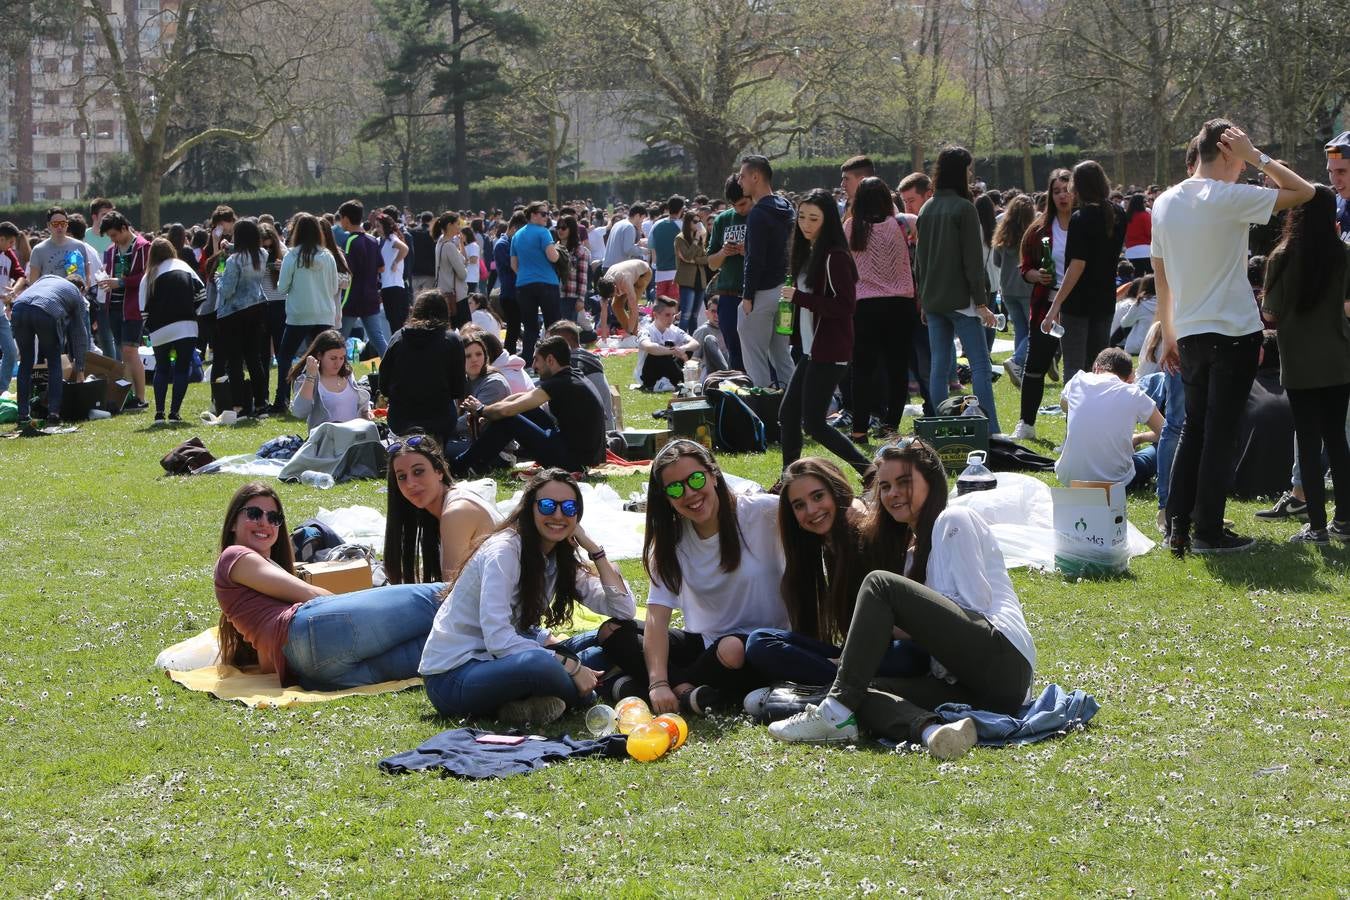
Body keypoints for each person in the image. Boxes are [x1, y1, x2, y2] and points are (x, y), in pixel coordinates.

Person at [768, 439, 1035, 762]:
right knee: (861, 690)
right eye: (885, 486)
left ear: (931, 478)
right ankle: (930, 731)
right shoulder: (912, 554)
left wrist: (900, 621)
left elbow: (972, 607)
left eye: (903, 482)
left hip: (1003, 664)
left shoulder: (954, 519)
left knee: (879, 584)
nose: (892, 493)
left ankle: (832, 712)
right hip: (971, 689)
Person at [1152, 119, 1314, 554]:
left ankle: (1179, 526)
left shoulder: (1165, 201)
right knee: (1218, 435)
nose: (1243, 168)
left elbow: (1160, 275)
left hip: (1188, 333)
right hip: (1234, 332)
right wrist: (1257, 155)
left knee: (1193, 431)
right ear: (1227, 153)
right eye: (1238, 158)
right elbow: (1305, 192)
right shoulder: (1228, 197)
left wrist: (1169, 332)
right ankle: (1207, 531)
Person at [419, 469, 635, 725]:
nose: (557, 515)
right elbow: (498, 638)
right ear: (529, 509)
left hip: (505, 659)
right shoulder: (504, 552)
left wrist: (594, 550)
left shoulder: (558, 556)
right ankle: (585, 692)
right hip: (455, 676)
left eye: (568, 507)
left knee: (618, 633)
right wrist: (572, 666)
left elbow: (623, 610)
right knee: (539, 664)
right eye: (547, 505)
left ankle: (528, 703)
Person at [597, 440, 790, 714]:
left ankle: (637, 688)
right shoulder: (672, 543)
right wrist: (658, 683)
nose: (689, 493)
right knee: (612, 630)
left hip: (763, 645)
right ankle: (685, 692)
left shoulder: (763, 512)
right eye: (676, 488)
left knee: (733, 648)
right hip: (707, 645)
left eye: (696, 479)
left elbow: (817, 512)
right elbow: (656, 618)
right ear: (667, 497)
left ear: (713, 475)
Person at [213, 482, 441, 690]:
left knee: (440, 647)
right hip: (311, 634)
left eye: (273, 518)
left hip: (313, 673)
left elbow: (268, 663)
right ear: (233, 521)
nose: (265, 522)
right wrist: (356, 606)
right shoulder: (234, 555)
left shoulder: (255, 587)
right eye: (254, 514)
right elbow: (312, 595)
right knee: (438, 597)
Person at [743, 458, 928, 690]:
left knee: (909, 655)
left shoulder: (868, 533)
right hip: (855, 655)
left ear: (836, 491)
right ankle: (849, 680)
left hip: (898, 649)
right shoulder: (818, 551)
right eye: (799, 505)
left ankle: (841, 681)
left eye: (818, 496)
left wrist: (848, 659)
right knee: (760, 642)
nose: (811, 510)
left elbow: (907, 628)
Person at [1260, 185, 1350, 543]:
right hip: (1339, 358)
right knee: (1338, 442)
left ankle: (1315, 526)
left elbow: (1270, 313)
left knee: (1308, 443)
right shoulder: (1344, 253)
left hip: (1298, 362)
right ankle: (1344, 522)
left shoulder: (1282, 256)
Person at [778, 188, 872, 475]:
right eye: (802, 217)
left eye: (813, 218)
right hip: (811, 350)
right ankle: (788, 477)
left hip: (829, 351)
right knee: (788, 415)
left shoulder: (835, 256)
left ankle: (868, 470)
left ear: (828, 220)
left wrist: (799, 298)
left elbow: (845, 306)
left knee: (814, 424)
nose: (805, 224)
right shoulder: (808, 252)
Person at [915, 146, 1002, 434]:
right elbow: (972, 262)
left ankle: (941, 424)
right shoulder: (964, 208)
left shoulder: (927, 207)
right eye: (968, 169)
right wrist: (981, 302)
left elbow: (920, 261)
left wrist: (924, 300)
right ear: (960, 172)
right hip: (962, 300)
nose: (971, 175)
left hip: (934, 299)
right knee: (979, 364)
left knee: (940, 365)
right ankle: (989, 428)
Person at [453, 335, 604, 475]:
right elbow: (522, 398)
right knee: (525, 411)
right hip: (580, 455)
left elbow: (508, 411)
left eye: (536, 360)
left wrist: (481, 409)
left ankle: (461, 465)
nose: (533, 366)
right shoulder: (573, 376)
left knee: (509, 419)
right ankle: (478, 463)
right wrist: (489, 411)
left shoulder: (559, 383)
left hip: (572, 463)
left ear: (550, 360)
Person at [844, 176, 919, 442]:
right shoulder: (902, 223)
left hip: (864, 305)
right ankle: (890, 426)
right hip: (901, 304)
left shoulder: (851, 227)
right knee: (897, 368)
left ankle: (859, 429)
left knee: (862, 369)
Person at [1043, 161, 1128, 382]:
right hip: (1104, 299)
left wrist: (1055, 307)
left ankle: (1075, 414)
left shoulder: (1080, 219)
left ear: (1077, 186)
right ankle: (1097, 413)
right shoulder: (1118, 213)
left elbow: (1076, 267)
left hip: (1078, 304)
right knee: (1099, 365)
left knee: (1074, 368)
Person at [1011, 168, 1074, 441]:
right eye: (1057, 191)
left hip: (1078, 309)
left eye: (1067, 190)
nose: (1062, 196)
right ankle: (1026, 424)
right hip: (1045, 307)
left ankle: (1076, 430)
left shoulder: (1084, 224)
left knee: (1077, 370)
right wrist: (1036, 275)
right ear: (1050, 195)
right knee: (1035, 366)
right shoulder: (1038, 229)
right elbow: (1024, 267)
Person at [385, 434, 499, 584]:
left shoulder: (457, 512)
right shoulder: (440, 508)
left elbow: (450, 590)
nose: (410, 483)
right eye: (402, 477)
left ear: (439, 471)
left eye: (418, 471)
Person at [1055, 347, 1164, 489]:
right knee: (1158, 448)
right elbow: (1167, 432)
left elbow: (1064, 407)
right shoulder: (1132, 392)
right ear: (1130, 378)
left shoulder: (1077, 381)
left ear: (1096, 367)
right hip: (1116, 483)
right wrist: (1140, 437)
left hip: (1069, 478)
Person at [737, 155, 796, 388]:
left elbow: (755, 259)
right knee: (782, 356)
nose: (740, 181)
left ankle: (764, 410)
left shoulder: (758, 214)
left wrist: (747, 296)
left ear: (755, 176)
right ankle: (793, 410)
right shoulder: (787, 207)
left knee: (755, 358)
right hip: (785, 292)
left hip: (761, 293)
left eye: (742, 176)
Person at [379, 290, 465, 445]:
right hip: (440, 419)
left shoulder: (398, 338)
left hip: (401, 419)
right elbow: (458, 389)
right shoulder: (452, 340)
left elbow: (383, 383)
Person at [275, 213, 340, 406]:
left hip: (299, 314)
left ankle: (282, 398)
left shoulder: (292, 255)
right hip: (324, 313)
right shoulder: (327, 256)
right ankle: (328, 395)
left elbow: (282, 287)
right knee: (325, 357)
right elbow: (335, 287)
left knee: (285, 356)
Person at [10, 274, 89, 428]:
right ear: (81, 289)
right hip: (46, 309)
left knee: (26, 362)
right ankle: (53, 414)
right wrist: (80, 369)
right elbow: (79, 334)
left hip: (19, 307)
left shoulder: (46, 278)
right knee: (54, 362)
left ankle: (23, 415)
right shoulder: (76, 293)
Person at [139, 238, 202, 423]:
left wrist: (152, 328)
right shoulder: (184, 266)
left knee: (162, 368)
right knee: (182, 369)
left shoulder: (149, 275)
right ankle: (175, 413)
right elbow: (201, 293)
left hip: (160, 329)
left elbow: (143, 309)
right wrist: (192, 313)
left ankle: (159, 413)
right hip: (186, 326)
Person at [213, 218, 272, 415]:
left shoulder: (233, 261)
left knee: (235, 360)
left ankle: (238, 403)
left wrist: (218, 277)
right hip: (256, 309)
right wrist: (229, 246)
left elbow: (227, 290)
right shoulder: (262, 254)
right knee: (254, 359)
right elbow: (244, 253)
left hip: (233, 313)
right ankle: (261, 401)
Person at [97, 211, 151, 410]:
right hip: (113, 306)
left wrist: (120, 282)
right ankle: (126, 397)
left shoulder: (143, 247)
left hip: (133, 307)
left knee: (130, 350)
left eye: (114, 235)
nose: (113, 240)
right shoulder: (111, 251)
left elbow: (145, 276)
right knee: (123, 352)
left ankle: (141, 398)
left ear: (124, 228)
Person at [705, 175, 752, 370]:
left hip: (755, 293)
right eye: (735, 205)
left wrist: (746, 250)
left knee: (758, 350)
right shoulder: (723, 220)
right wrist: (724, 252)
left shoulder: (759, 215)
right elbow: (711, 264)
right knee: (735, 351)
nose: (740, 209)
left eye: (743, 203)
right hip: (729, 294)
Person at [991, 194, 1036, 387]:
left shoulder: (1002, 236)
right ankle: (1017, 361)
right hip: (1027, 288)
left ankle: (1020, 366)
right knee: (1034, 330)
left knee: (1020, 329)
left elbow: (996, 262)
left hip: (1007, 289)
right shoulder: (1033, 235)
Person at [288, 329, 373, 429]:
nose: (338, 363)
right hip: (326, 441)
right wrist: (310, 377)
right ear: (319, 355)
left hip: (354, 438)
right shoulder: (308, 378)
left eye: (342, 358)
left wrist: (366, 410)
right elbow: (300, 412)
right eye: (333, 358)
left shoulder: (347, 374)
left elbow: (359, 402)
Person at [336, 200, 390, 358]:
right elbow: (381, 267)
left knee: (338, 340)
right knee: (377, 337)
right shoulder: (372, 240)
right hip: (370, 296)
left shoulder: (350, 241)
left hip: (352, 298)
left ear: (346, 218)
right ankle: (394, 368)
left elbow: (348, 271)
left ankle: (338, 375)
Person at [510, 202, 562, 362]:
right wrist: (560, 253)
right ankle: (556, 356)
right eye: (544, 214)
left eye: (548, 214)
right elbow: (553, 256)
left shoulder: (517, 235)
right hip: (546, 282)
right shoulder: (543, 232)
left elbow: (514, 265)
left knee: (530, 325)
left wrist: (528, 274)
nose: (548, 217)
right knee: (553, 324)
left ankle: (527, 357)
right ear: (533, 215)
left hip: (524, 284)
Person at [454, 330, 514, 447]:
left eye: (479, 354)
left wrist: (439, 428)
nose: (474, 359)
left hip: (496, 449)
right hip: (468, 440)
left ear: (485, 355)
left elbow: (467, 422)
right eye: (468, 356)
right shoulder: (463, 380)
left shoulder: (494, 383)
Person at [636, 297, 699, 391]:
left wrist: (683, 348)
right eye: (667, 315)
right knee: (659, 352)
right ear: (655, 315)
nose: (671, 318)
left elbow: (695, 343)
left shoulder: (674, 329)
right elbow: (648, 347)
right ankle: (682, 379)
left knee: (688, 350)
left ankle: (681, 379)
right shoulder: (646, 330)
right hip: (649, 374)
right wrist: (672, 351)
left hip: (669, 369)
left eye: (673, 315)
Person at [0, 222, 28, 395]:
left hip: (1, 314)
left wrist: (14, 290)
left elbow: (21, 276)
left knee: (11, 352)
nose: (12, 247)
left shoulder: (8, 255)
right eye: (10, 243)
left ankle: (2, 390)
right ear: (1, 238)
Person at [595, 258, 653, 335]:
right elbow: (604, 310)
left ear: (615, 286)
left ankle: (634, 334)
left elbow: (633, 309)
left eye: (613, 294)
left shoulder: (625, 280)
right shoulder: (604, 285)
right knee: (615, 305)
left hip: (643, 273)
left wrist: (629, 332)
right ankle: (629, 332)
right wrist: (604, 333)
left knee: (631, 305)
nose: (614, 296)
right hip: (626, 273)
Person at [673, 211, 708, 333]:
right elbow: (687, 256)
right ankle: (680, 340)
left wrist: (695, 260)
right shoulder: (680, 238)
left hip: (700, 280)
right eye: (695, 221)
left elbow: (706, 259)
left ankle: (693, 343)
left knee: (694, 316)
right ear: (687, 223)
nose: (698, 224)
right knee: (686, 315)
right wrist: (696, 240)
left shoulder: (700, 238)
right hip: (687, 281)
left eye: (699, 221)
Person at [376, 213, 410, 334]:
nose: (377, 229)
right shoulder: (381, 241)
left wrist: (396, 262)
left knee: (397, 323)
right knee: (393, 322)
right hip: (386, 287)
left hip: (395, 286)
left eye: (379, 226)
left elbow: (405, 248)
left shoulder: (392, 238)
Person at [649, 196, 684, 301]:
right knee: (673, 305)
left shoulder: (656, 224)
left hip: (660, 271)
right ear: (681, 209)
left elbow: (650, 245)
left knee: (660, 304)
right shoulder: (683, 226)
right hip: (677, 272)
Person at [556, 215, 589, 324]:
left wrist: (580, 299)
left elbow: (583, 277)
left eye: (564, 228)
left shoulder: (580, 250)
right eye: (558, 227)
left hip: (571, 296)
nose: (560, 230)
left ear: (572, 229)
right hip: (555, 294)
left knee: (567, 330)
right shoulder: (554, 247)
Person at [691, 295, 729, 377]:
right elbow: (694, 359)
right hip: (709, 372)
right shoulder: (703, 330)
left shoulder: (727, 329)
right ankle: (728, 374)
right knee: (710, 340)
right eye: (713, 311)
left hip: (727, 367)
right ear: (707, 314)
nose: (717, 315)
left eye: (719, 311)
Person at [1122, 193, 1153, 275]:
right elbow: (1149, 233)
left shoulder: (1126, 216)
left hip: (1130, 252)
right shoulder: (1145, 215)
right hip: (1146, 251)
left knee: (1135, 279)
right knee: (1149, 279)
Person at [408, 212, 437, 296]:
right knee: (427, 299)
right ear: (431, 220)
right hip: (429, 271)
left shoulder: (411, 232)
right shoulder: (432, 233)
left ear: (421, 220)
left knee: (416, 300)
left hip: (414, 270)